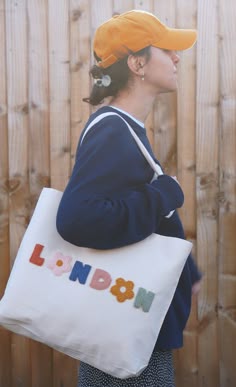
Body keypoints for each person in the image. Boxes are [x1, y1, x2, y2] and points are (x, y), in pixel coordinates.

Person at [56, 9, 202, 387]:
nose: (176, 57)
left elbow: (126, 211)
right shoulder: (114, 131)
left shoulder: (124, 128)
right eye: (167, 49)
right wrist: (164, 194)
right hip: (127, 337)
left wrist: (189, 273)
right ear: (137, 63)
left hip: (131, 325)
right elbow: (78, 219)